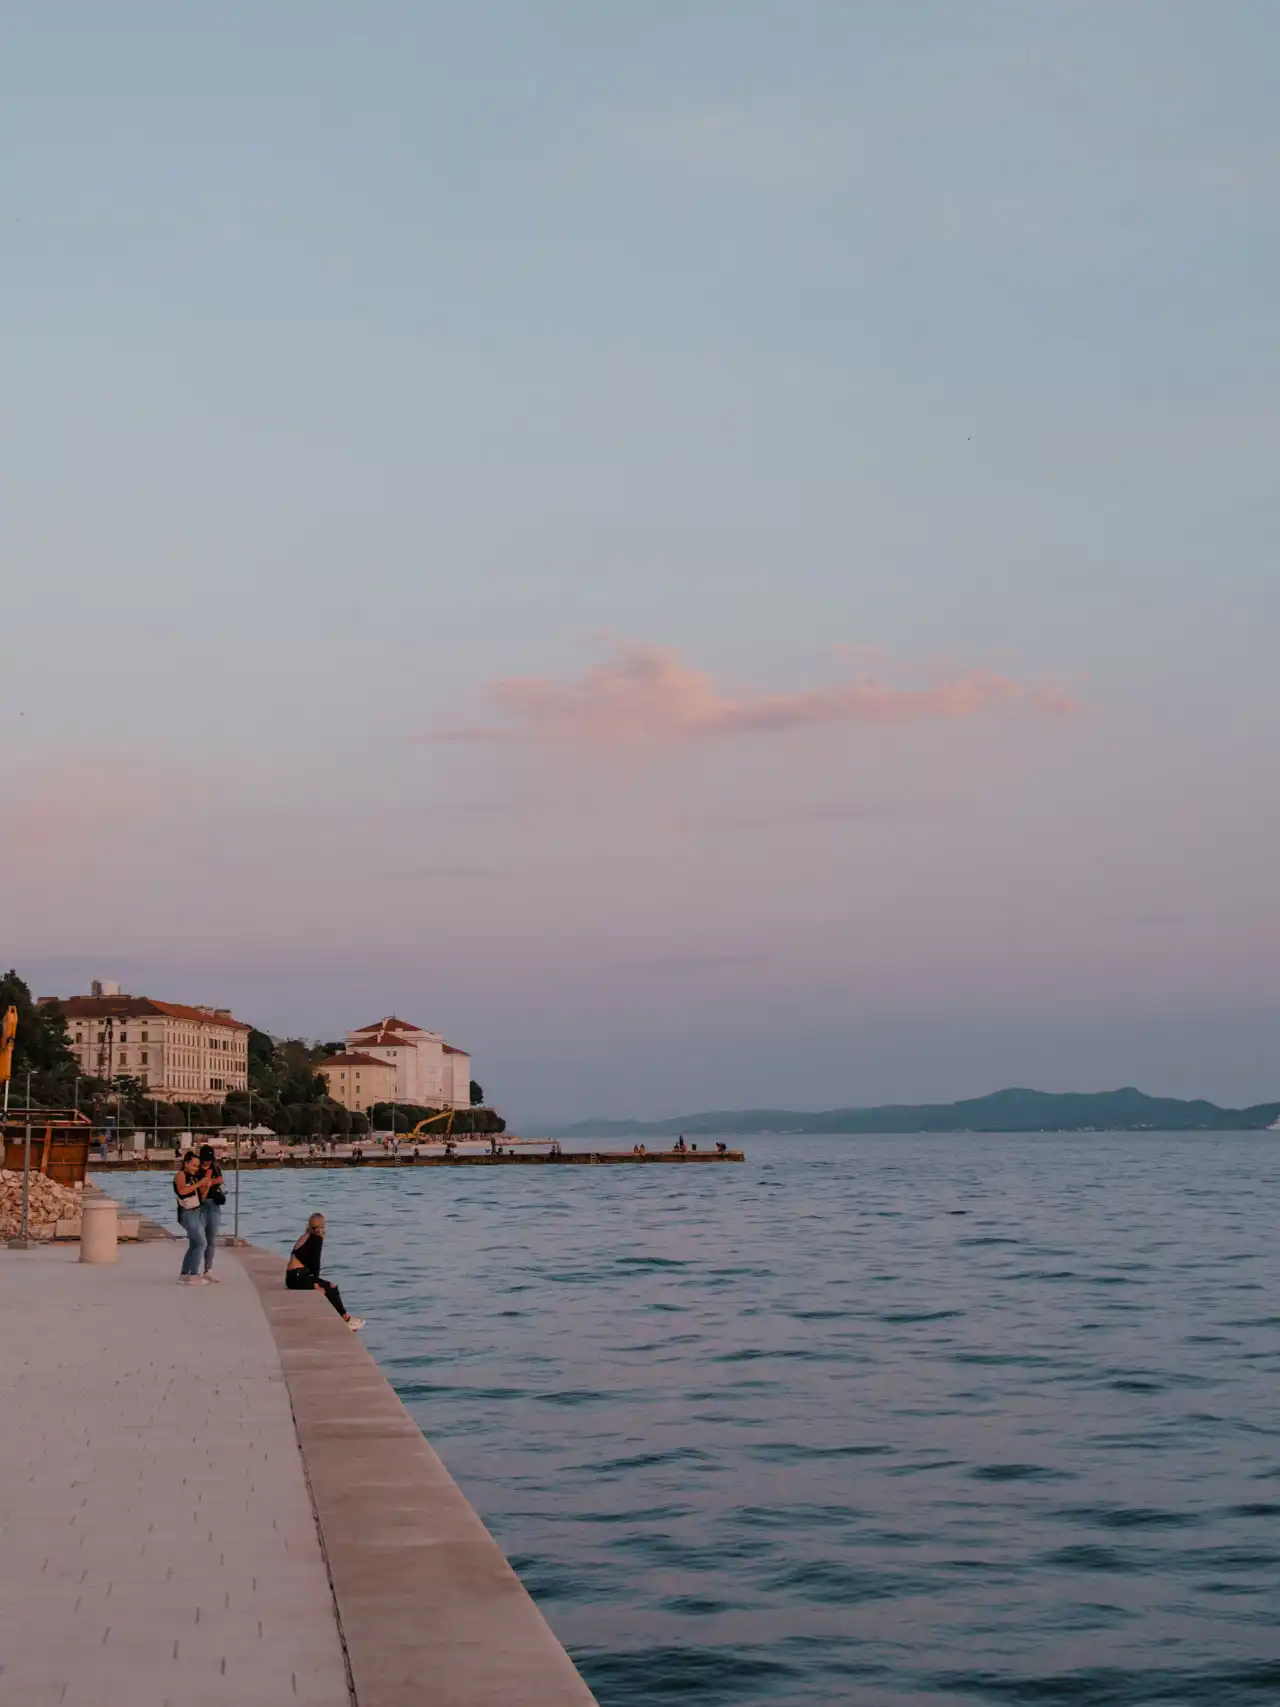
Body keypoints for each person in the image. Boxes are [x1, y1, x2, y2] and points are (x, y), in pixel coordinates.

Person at [286, 1212, 364, 1330]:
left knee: (326, 1286)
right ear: (323, 1226)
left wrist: (315, 1281)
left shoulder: (305, 1236)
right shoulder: (316, 1238)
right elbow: (315, 1265)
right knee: (331, 1288)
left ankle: (345, 1319)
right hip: (298, 1277)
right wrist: (316, 1283)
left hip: (291, 1278)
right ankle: (347, 1319)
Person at [172, 1151, 208, 1285]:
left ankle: (184, 1274)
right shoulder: (180, 1175)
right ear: (186, 1163)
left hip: (196, 1211)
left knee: (194, 1244)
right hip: (187, 1213)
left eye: (197, 1166)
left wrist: (206, 1185)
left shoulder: (193, 1177)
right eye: (193, 1165)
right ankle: (194, 1275)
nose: (196, 1168)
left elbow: (200, 1196)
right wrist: (199, 1184)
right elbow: (182, 1191)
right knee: (201, 1243)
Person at [196, 1144, 226, 1281]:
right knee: (199, 1239)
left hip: (214, 1205)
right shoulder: (196, 1170)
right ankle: (194, 1270)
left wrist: (210, 1182)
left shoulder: (215, 1168)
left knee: (211, 1239)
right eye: (205, 1159)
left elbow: (220, 1179)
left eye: (209, 1159)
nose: (207, 1162)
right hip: (201, 1206)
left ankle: (208, 1269)